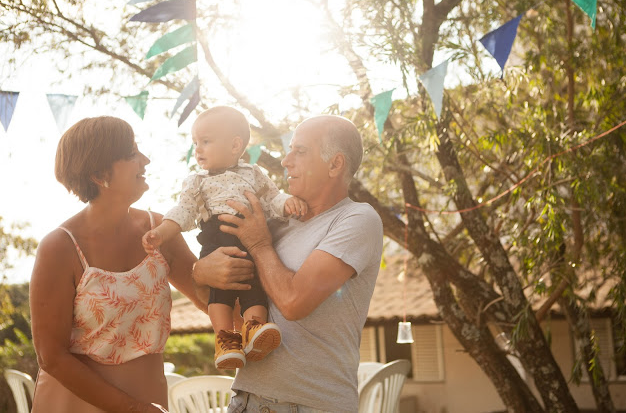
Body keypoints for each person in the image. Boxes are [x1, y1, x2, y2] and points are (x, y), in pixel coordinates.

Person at [29, 116, 252, 413]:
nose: (145, 161)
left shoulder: (159, 229)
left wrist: (265, 327)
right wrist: (132, 409)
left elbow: (206, 298)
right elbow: (51, 357)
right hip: (75, 404)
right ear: (99, 173)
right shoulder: (59, 247)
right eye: (132, 153)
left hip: (150, 399)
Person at [193, 115, 384, 413]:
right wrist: (200, 271)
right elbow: (226, 301)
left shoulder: (357, 219)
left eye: (300, 151)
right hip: (244, 399)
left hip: (312, 405)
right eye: (289, 149)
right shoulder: (272, 223)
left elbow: (293, 303)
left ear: (335, 164)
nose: (285, 161)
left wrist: (258, 244)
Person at [141, 106, 308, 370]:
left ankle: (254, 330)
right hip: (217, 242)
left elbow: (272, 197)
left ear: (235, 145)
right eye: (196, 143)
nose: (198, 149)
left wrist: (288, 203)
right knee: (220, 291)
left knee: (255, 288)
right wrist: (161, 232)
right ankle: (224, 338)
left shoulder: (253, 174)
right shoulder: (197, 181)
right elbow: (183, 211)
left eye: (205, 142)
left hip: (251, 244)